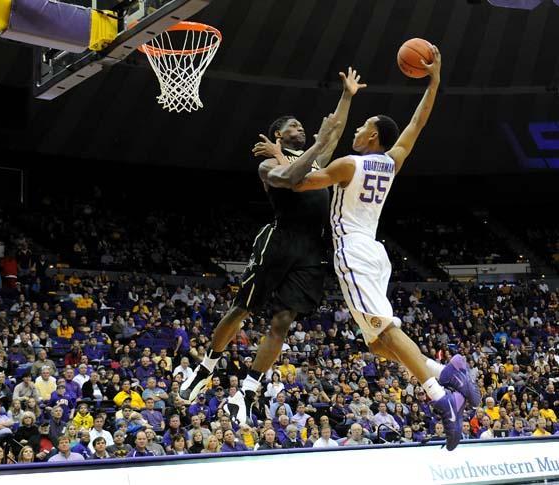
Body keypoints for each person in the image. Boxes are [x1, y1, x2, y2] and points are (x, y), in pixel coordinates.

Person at [259, 48, 478, 452]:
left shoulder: (348, 165)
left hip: (354, 254)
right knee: (376, 343)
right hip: (375, 252)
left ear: (372, 136)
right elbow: (417, 122)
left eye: (361, 126)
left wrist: (280, 157)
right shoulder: (391, 161)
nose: (356, 130)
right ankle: (449, 372)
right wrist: (434, 81)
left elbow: (296, 183)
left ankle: (441, 398)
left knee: (387, 332)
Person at [180, 69, 366, 418]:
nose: (301, 128)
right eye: (294, 126)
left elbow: (333, 133)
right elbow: (293, 179)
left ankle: (248, 390)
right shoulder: (268, 163)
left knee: (282, 321)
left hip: (312, 248)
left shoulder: (314, 158)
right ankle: (205, 368)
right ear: (278, 136)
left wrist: (347, 96)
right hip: (279, 240)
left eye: (302, 126)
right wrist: (315, 144)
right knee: (243, 309)